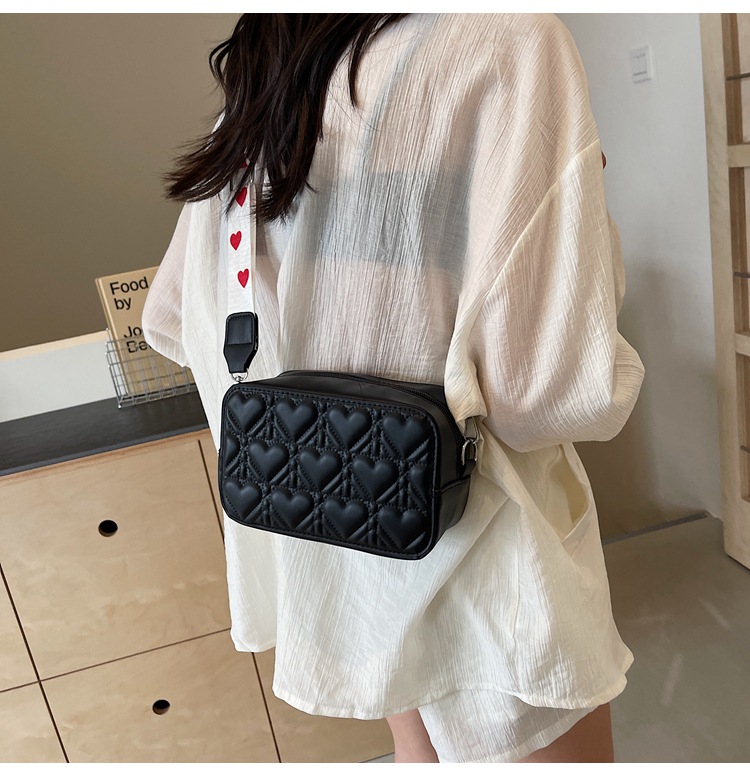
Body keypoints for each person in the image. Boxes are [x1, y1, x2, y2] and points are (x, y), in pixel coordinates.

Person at [142, 13, 645, 763]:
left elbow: (174, 317)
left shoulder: (269, 82)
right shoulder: (508, 40)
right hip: (484, 563)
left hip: (344, 550)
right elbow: (544, 392)